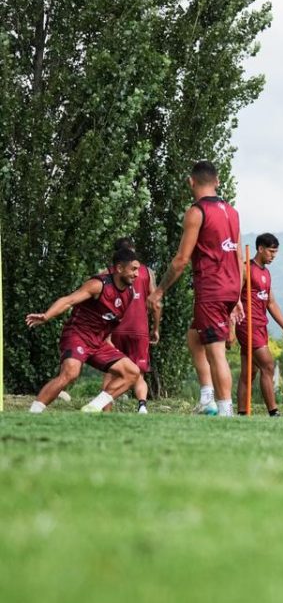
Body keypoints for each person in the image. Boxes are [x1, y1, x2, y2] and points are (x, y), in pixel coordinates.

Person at [149, 160, 242, 418]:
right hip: (230, 287)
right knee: (194, 336)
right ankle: (206, 398)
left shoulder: (197, 212)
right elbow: (237, 256)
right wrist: (237, 296)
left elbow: (181, 260)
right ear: (218, 181)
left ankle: (225, 411)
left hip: (212, 289)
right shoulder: (232, 212)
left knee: (216, 351)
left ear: (191, 182)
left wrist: (159, 291)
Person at [26, 247, 143, 413]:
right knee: (70, 373)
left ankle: (92, 408)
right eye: (133, 269)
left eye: (138, 270)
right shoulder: (98, 285)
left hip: (98, 342)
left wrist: (108, 341)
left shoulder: (129, 293)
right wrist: (46, 316)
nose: (137, 274)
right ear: (119, 268)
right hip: (77, 335)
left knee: (132, 372)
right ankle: (33, 413)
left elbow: (111, 320)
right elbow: (68, 300)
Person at [236, 233, 283, 416]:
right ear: (260, 249)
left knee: (250, 372)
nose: (273, 255)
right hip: (247, 325)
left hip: (261, 325)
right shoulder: (245, 269)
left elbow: (271, 303)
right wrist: (230, 328)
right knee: (268, 366)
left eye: (275, 252)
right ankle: (273, 412)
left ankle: (241, 413)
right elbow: (233, 297)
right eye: (271, 251)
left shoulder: (266, 273)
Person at [105, 235, 160, 414]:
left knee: (111, 371)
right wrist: (155, 328)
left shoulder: (109, 272)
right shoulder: (146, 272)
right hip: (139, 329)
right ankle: (142, 405)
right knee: (138, 373)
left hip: (115, 329)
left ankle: (106, 409)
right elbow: (156, 303)